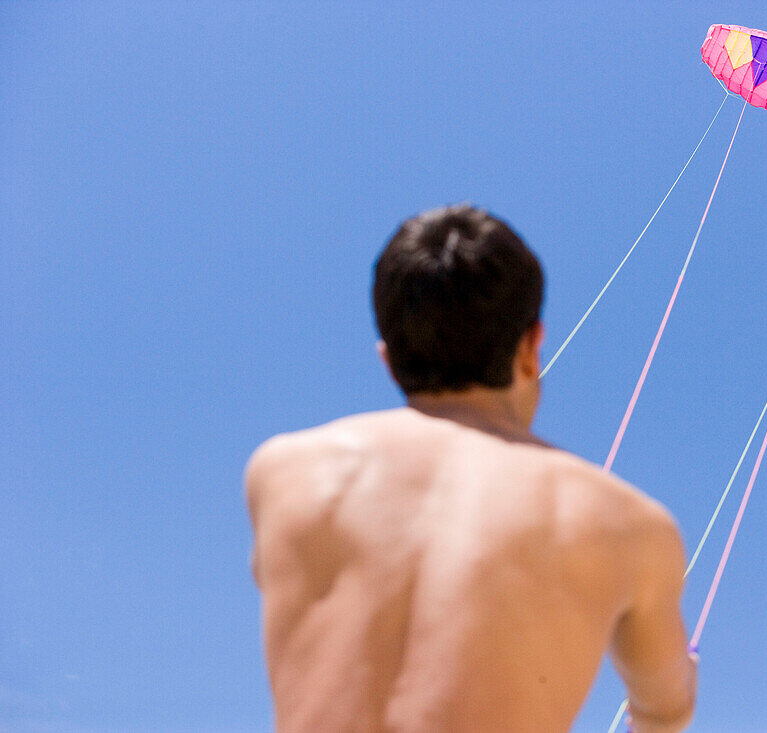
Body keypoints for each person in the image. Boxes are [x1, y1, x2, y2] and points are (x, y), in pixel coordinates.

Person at [246, 205, 697, 732]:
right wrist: (679, 679)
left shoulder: (283, 473)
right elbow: (664, 712)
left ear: (388, 359)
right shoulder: (629, 525)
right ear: (531, 348)